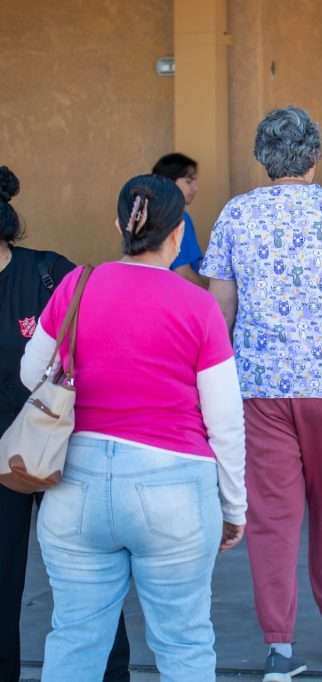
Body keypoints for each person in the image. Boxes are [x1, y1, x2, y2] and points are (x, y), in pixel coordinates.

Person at [22, 174, 246, 680]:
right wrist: (234, 505)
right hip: (175, 488)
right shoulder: (198, 306)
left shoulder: (76, 285)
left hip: (75, 482)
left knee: (75, 641)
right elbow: (226, 420)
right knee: (184, 644)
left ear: (120, 223)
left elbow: (29, 373)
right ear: (177, 236)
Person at [201, 107, 322, 679]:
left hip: (259, 385)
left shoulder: (236, 214)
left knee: (272, 515)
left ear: (263, 157)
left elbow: (220, 308)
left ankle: (278, 647)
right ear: (315, 156)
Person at [0, 167, 130, 682]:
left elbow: (101, 339)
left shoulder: (50, 275)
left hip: (59, 447)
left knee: (88, 580)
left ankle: (111, 674)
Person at [152, 153, 206, 286]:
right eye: (189, 181)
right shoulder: (179, 218)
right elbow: (183, 272)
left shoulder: (151, 214)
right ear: (169, 182)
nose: (195, 188)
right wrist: (210, 295)